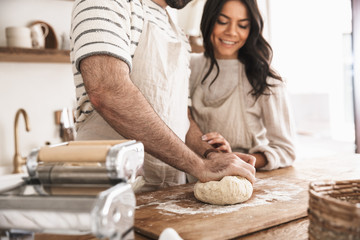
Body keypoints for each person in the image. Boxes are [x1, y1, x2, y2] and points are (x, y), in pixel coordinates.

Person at [69, 0, 256, 192]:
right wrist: (200, 166)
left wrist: (210, 155)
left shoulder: (177, 32)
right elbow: (108, 92)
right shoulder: (108, 3)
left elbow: (183, 117)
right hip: (109, 193)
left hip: (167, 194)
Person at [188, 0, 296, 171]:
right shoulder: (188, 66)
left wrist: (235, 160)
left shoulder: (265, 79)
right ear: (209, 20)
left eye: (243, 25)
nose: (231, 32)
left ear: (252, 29)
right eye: (222, 22)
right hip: (195, 176)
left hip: (244, 177)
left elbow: (286, 150)